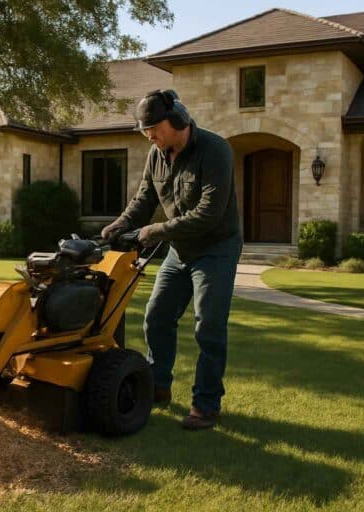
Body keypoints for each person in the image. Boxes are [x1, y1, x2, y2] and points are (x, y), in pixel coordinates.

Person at [101, 89, 242, 430]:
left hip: (216, 248)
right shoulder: (156, 154)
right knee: (156, 316)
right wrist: (120, 224)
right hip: (180, 250)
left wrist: (156, 231)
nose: (149, 135)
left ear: (177, 120)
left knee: (208, 324)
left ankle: (206, 404)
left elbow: (209, 213)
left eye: (153, 127)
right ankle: (157, 385)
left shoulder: (216, 150)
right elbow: (144, 199)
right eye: (144, 129)